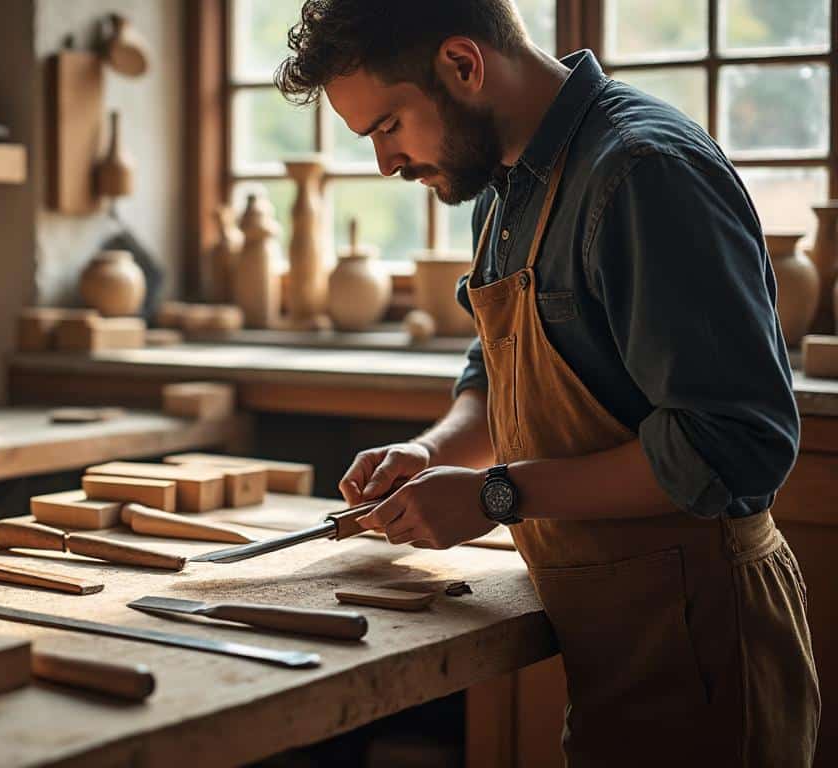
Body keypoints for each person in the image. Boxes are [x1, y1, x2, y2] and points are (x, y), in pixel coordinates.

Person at [274, 1, 819, 765]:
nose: (385, 166)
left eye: (387, 127)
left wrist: (497, 495)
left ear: (463, 65)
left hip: (704, 636)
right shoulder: (500, 186)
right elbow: (500, 374)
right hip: (610, 631)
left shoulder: (642, 172)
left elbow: (735, 447)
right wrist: (434, 455)